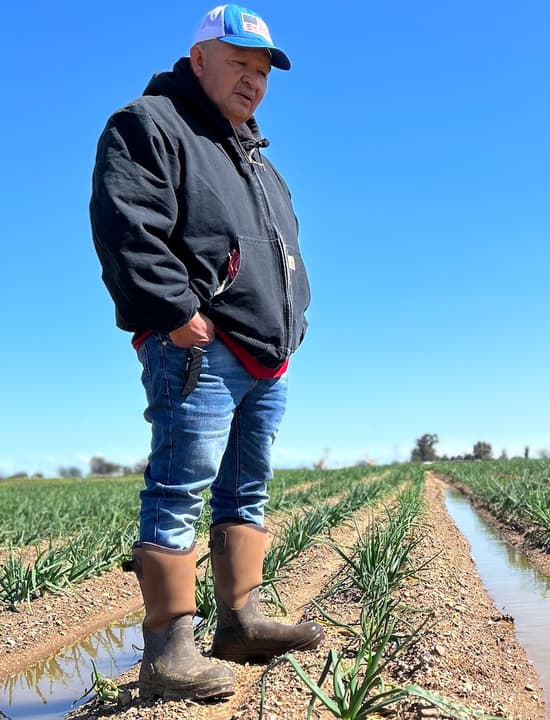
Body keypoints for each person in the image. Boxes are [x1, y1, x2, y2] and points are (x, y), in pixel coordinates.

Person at [89, 4, 322, 702]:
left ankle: (242, 621)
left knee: (247, 489)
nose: (253, 81)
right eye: (239, 64)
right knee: (177, 488)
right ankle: (169, 653)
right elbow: (127, 223)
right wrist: (179, 314)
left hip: (265, 356)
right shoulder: (150, 124)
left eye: (262, 70)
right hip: (199, 347)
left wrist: (293, 326)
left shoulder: (255, 159)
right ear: (199, 61)